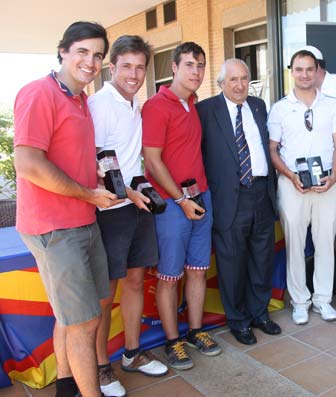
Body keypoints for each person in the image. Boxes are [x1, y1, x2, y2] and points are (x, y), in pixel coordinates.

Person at [13, 21, 120, 397]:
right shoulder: (38, 93)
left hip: (84, 219)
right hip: (54, 226)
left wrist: (98, 184)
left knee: (79, 315)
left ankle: (65, 386)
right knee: (84, 322)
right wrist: (88, 195)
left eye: (97, 55)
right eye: (82, 52)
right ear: (63, 51)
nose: (90, 61)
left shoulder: (81, 100)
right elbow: (27, 164)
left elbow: (70, 156)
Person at [88, 35, 168, 397]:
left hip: (139, 205)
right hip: (111, 211)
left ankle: (132, 354)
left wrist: (140, 193)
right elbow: (95, 161)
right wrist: (129, 195)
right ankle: (102, 367)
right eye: (127, 66)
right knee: (105, 295)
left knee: (136, 281)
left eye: (140, 67)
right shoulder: (99, 104)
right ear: (112, 67)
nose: (134, 74)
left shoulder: (137, 103)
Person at [142, 42, 220, 370]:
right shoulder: (157, 105)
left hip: (202, 196)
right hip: (174, 205)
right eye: (189, 65)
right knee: (170, 277)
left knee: (198, 271)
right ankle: (173, 342)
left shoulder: (193, 102)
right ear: (173, 67)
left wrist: (193, 198)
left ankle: (196, 331)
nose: (196, 72)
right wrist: (181, 200)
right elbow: (153, 160)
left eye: (200, 65)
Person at [197, 58, 281, 345]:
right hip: (229, 198)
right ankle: (238, 320)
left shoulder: (258, 106)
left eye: (244, 78)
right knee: (232, 263)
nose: (240, 84)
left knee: (262, 259)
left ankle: (260, 314)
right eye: (233, 79)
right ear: (221, 83)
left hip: (261, 193)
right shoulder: (206, 111)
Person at [268, 49, 336, 325]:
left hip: (327, 182)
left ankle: (323, 299)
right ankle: (300, 300)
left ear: (317, 72)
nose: (304, 74)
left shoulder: (332, 104)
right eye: (299, 69)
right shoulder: (279, 108)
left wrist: (335, 175)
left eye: (309, 69)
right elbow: (273, 150)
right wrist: (290, 175)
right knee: (295, 244)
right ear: (292, 72)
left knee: (325, 242)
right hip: (293, 185)